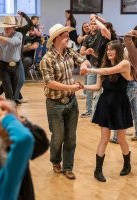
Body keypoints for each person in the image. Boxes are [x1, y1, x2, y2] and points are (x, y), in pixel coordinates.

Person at [40, 24, 90, 180]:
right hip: (55, 104)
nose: (68, 37)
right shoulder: (47, 59)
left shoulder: (69, 51)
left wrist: (83, 65)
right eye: (65, 36)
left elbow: (83, 60)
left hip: (71, 102)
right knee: (58, 136)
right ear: (56, 39)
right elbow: (49, 83)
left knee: (71, 137)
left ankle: (68, 167)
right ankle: (56, 161)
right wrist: (71, 87)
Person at [81, 40, 133, 182]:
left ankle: (127, 165)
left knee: (121, 139)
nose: (109, 51)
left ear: (118, 51)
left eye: (112, 49)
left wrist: (90, 69)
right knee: (104, 139)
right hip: (105, 104)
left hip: (120, 104)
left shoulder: (125, 64)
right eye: (108, 49)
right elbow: (97, 87)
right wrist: (83, 87)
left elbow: (109, 71)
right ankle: (98, 171)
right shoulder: (103, 66)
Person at [80, 14, 111, 118]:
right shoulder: (87, 37)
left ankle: (99, 112)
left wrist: (96, 18)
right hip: (92, 67)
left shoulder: (100, 34)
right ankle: (89, 110)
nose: (93, 25)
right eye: (91, 24)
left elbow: (106, 24)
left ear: (97, 25)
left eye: (94, 24)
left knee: (100, 91)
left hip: (103, 67)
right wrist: (88, 52)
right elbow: (81, 52)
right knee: (89, 90)